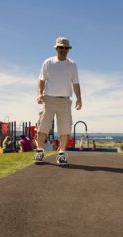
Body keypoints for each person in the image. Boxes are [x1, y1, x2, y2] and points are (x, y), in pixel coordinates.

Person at [34, 36, 82, 165]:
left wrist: (79, 99)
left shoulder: (72, 65)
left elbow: (76, 83)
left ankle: (61, 154)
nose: (63, 50)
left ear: (68, 49)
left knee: (65, 128)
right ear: (57, 48)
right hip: (48, 99)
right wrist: (39, 94)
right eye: (61, 47)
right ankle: (39, 152)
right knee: (43, 126)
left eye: (66, 48)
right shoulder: (48, 63)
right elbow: (41, 81)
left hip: (65, 101)